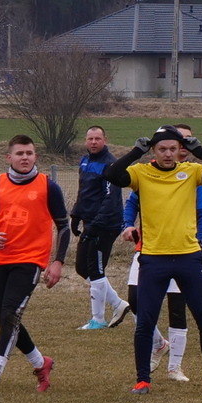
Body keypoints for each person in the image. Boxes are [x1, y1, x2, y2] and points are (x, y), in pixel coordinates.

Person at [103, 125, 202, 395]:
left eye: (173, 149)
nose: (168, 154)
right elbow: (112, 174)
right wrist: (135, 152)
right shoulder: (141, 173)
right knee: (145, 322)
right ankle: (142, 381)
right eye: (162, 149)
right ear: (153, 150)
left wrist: (198, 150)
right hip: (153, 259)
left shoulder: (192, 172)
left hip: (189, 258)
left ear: (180, 150)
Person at [0, 134, 71, 395]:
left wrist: (58, 262)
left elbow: (64, 227)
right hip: (0, 260)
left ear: (35, 156)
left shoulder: (48, 186)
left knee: (10, 314)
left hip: (30, 260)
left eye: (29, 153)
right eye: (19, 153)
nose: (25, 157)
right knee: (5, 319)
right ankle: (41, 363)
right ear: (9, 157)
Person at [120, 123, 202, 382]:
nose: (181, 147)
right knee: (136, 301)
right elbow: (133, 202)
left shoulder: (194, 174)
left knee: (178, 307)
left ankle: (175, 367)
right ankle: (159, 344)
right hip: (150, 251)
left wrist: (199, 246)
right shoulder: (146, 172)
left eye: (187, 141)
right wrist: (127, 225)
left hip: (184, 253)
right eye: (179, 141)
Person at [71, 125, 131, 330]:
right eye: (90, 139)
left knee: (96, 269)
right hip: (89, 223)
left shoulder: (111, 164)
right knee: (82, 268)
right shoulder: (85, 161)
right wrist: (76, 215)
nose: (94, 142)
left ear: (105, 140)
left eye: (98, 138)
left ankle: (98, 319)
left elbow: (110, 198)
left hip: (105, 225)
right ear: (85, 141)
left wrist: (96, 224)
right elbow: (83, 192)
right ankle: (118, 304)